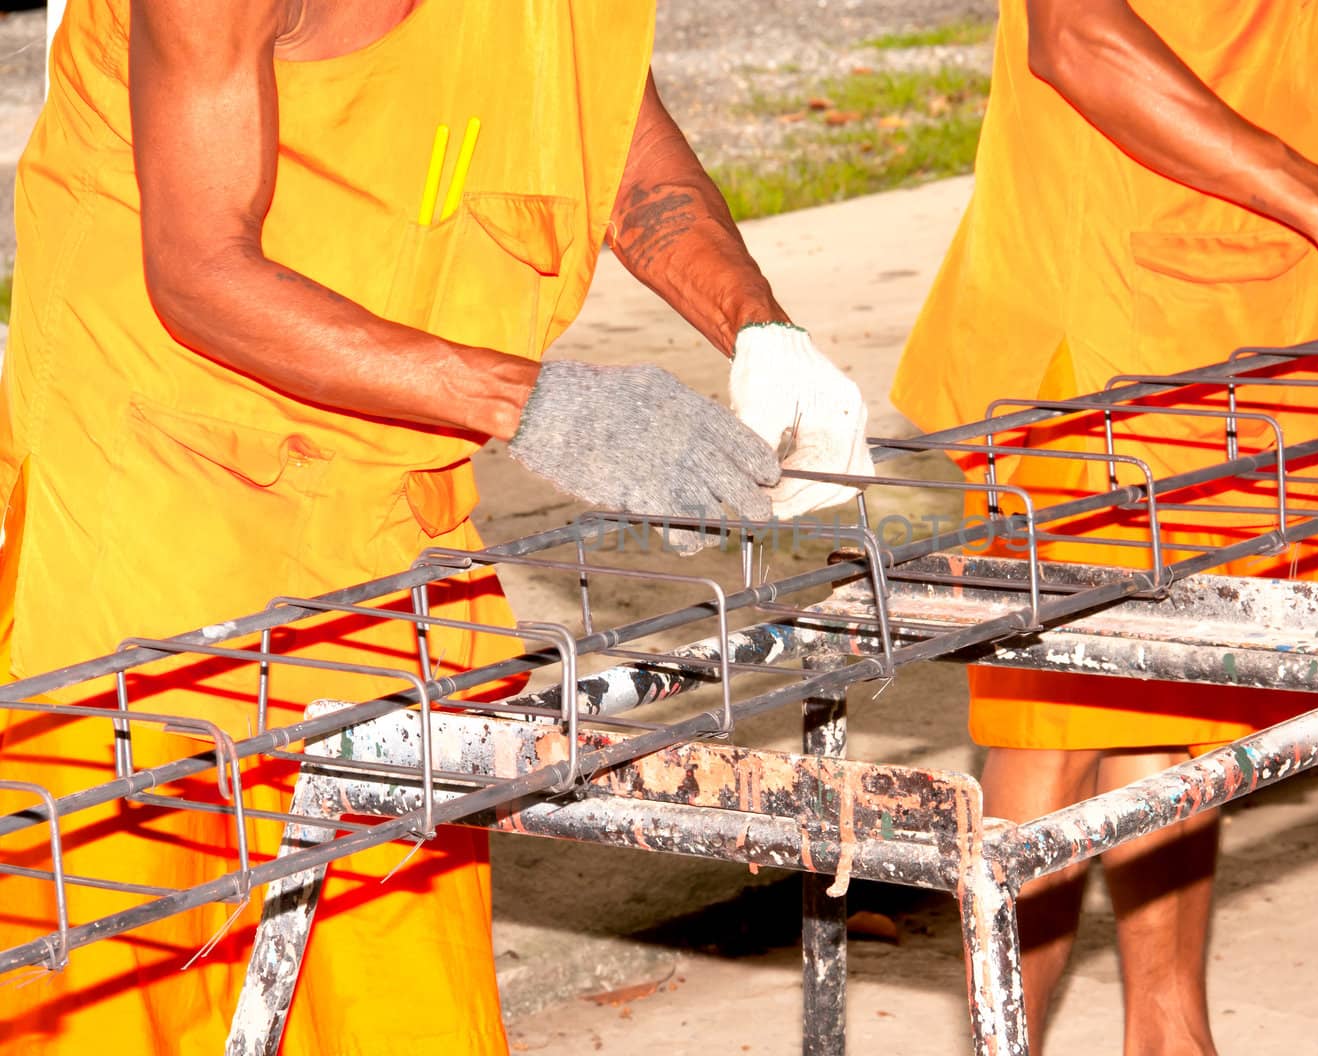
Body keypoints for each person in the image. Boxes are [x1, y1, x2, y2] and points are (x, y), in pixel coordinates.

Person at [0, 1, 871, 1053]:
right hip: (152, 495)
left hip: (383, 486)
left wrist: (758, 325)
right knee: (125, 979)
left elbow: (613, 134)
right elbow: (199, 269)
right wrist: (539, 405)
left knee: (396, 988)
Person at [893, 1, 1318, 1052]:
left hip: (1256, 310)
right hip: (1099, 312)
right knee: (1064, 715)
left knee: (1182, 686)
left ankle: (1170, 1032)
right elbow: (1074, 37)